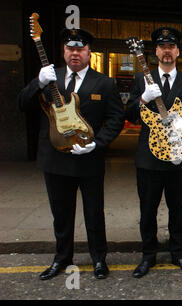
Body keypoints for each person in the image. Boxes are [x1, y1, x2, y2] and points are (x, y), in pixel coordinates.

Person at [17, 28, 125, 280]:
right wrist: (38, 83)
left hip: (89, 160)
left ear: (89, 52)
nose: (75, 53)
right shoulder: (49, 78)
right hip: (55, 160)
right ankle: (61, 258)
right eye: (70, 49)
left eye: (80, 49)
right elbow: (22, 104)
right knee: (61, 215)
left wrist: (97, 143)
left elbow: (115, 118)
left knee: (94, 213)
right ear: (64, 52)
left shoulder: (104, 83)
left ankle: (99, 258)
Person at [126, 27, 182, 278]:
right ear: (155, 51)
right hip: (148, 159)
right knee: (147, 210)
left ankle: (178, 253)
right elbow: (129, 115)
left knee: (177, 210)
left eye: (171, 46)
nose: (167, 51)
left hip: (179, 158)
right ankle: (148, 255)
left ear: (178, 51)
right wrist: (143, 99)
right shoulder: (140, 80)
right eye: (162, 47)